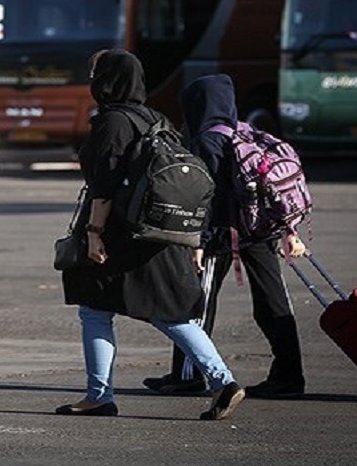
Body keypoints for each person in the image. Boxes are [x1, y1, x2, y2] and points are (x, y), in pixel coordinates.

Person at [57, 49, 245, 420]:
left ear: (107, 80)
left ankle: (99, 395)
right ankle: (222, 381)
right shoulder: (156, 118)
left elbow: (104, 186)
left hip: (120, 234)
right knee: (170, 313)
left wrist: (94, 233)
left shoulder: (112, 122)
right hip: (162, 232)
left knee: (95, 310)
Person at [144, 74, 307, 399]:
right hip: (260, 230)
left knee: (196, 305)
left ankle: (187, 375)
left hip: (221, 235)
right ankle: (289, 375)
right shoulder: (246, 132)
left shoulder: (207, 139)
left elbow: (207, 198)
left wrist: (198, 244)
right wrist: (291, 230)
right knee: (273, 303)